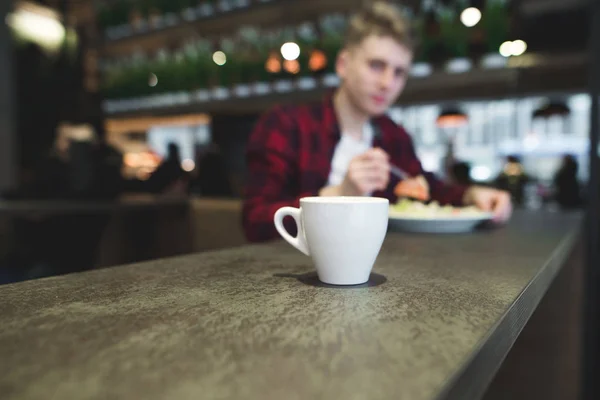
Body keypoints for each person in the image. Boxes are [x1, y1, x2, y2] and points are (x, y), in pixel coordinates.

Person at [242, 1, 512, 243]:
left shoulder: (392, 135)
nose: (387, 83)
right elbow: (255, 222)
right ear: (343, 64)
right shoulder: (286, 125)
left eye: (399, 72)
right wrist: (340, 192)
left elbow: (426, 188)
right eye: (376, 65)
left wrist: (471, 195)